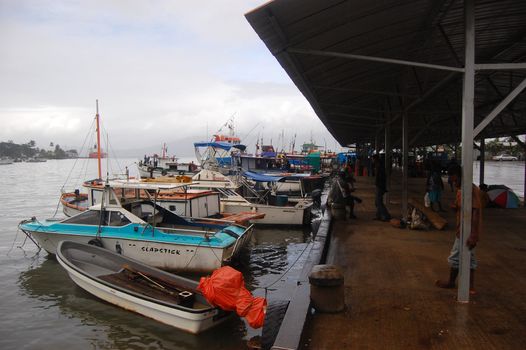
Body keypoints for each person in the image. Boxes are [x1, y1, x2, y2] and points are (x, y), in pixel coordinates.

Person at [436, 176, 482, 295]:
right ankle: (459, 283)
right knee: (463, 256)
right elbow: (460, 206)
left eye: (455, 180)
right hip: (461, 229)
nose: (453, 183)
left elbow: (476, 211)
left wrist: (473, 234)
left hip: (468, 231)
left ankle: (464, 285)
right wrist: (455, 208)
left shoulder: (471, 190)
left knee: (459, 256)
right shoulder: (461, 190)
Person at [373, 154, 391, 221]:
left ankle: (386, 215)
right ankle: (378, 215)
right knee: (377, 202)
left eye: (373, 159)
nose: (372, 161)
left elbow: (381, 178)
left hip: (380, 186)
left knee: (378, 202)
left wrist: (380, 186)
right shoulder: (379, 166)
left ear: (375, 159)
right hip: (379, 186)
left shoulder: (380, 166)